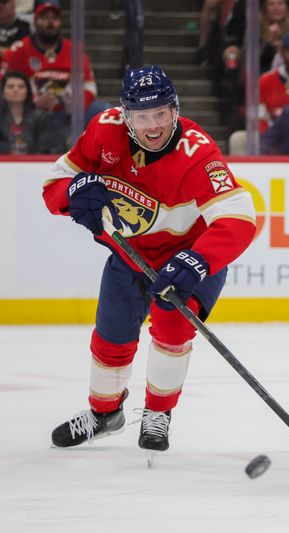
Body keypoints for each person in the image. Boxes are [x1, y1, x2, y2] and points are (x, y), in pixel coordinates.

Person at [44, 65, 256, 459]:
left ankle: (158, 414)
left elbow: (240, 217)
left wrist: (197, 260)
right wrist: (73, 191)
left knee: (172, 330)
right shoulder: (103, 131)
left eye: (161, 113)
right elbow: (54, 183)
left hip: (187, 263)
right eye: (142, 116)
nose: (153, 125)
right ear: (126, 117)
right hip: (130, 257)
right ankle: (104, 415)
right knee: (111, 338)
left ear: (175, 109)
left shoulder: (197, 152)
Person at [1, 1, 105, 125]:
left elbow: (89, 86)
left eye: (54, 18)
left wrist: (78, 102)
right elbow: (3, 82)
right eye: (45, 18)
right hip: (30, 111)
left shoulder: (75, 51)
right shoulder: (19, 50)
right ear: (35, 20)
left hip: (67, 111)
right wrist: (31, 100)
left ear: (60, 21)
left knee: (101, 109)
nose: (50, 23)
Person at [0, 70, 64, 154]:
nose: (16, 90)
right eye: (10, 86)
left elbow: (46, 146)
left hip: (34, 164)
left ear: (28, 91)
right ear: (2, 91)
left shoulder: (40, 117)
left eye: (21, 86)